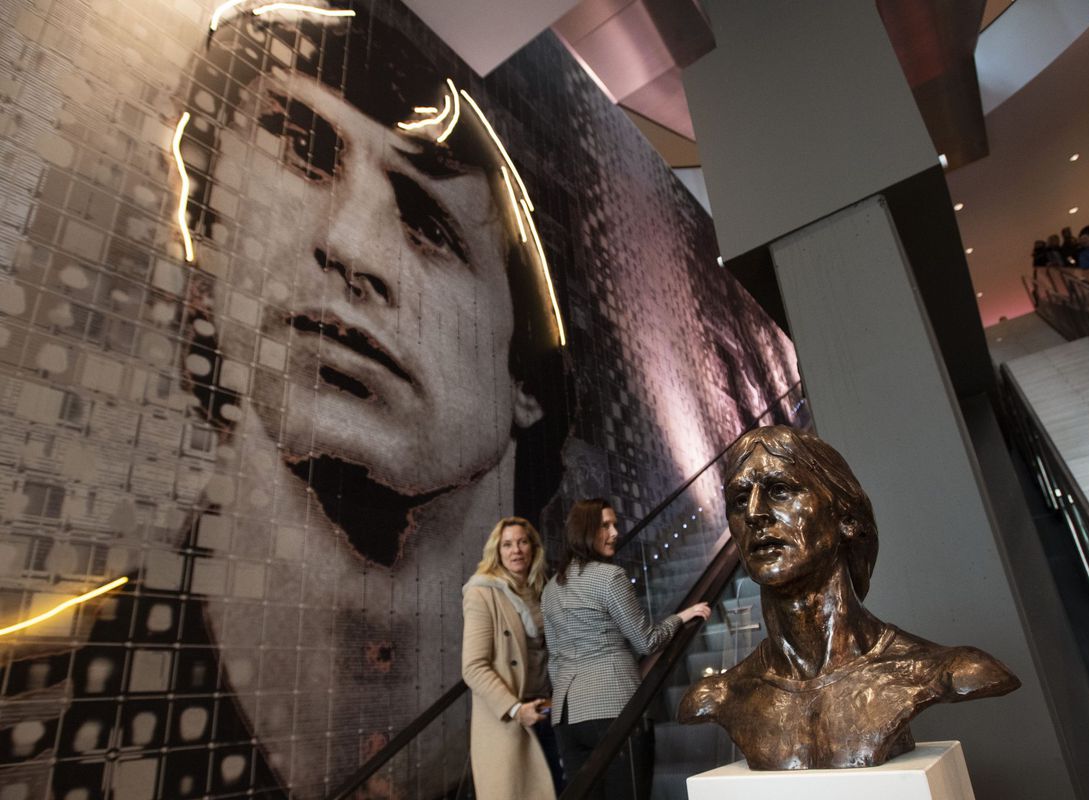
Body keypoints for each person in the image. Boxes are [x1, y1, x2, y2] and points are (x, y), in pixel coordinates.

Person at [2, 6, 571, 798]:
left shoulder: (551, 705)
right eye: (302, 151)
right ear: (204, 270)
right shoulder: (41, 729)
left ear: (526, 381)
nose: (351, 247)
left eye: (429, 224)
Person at [680, 427, 1019, 770]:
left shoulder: (942, 671)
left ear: (846, 518)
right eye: (739, 500)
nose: (754, 513)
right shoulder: (720, 696)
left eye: (780, 490)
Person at [543, 498, 711, 798]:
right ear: (584, 531)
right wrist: (680, 617)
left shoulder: (551, 588)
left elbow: (554, 659)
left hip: (567, 718)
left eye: (615, 524)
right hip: (614, 709)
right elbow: (646, 640)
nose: (615, 532)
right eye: (604, 526)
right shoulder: (609, 577)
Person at [462, 517, 563, 800]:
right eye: (507, 544)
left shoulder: (541, 591)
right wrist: (516, 709)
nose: (515, 550)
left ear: (533, 548)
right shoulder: (482, 593)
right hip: (510, 717)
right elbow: (473, 667)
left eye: (522, 542)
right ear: (497, 551)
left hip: (545, 709)